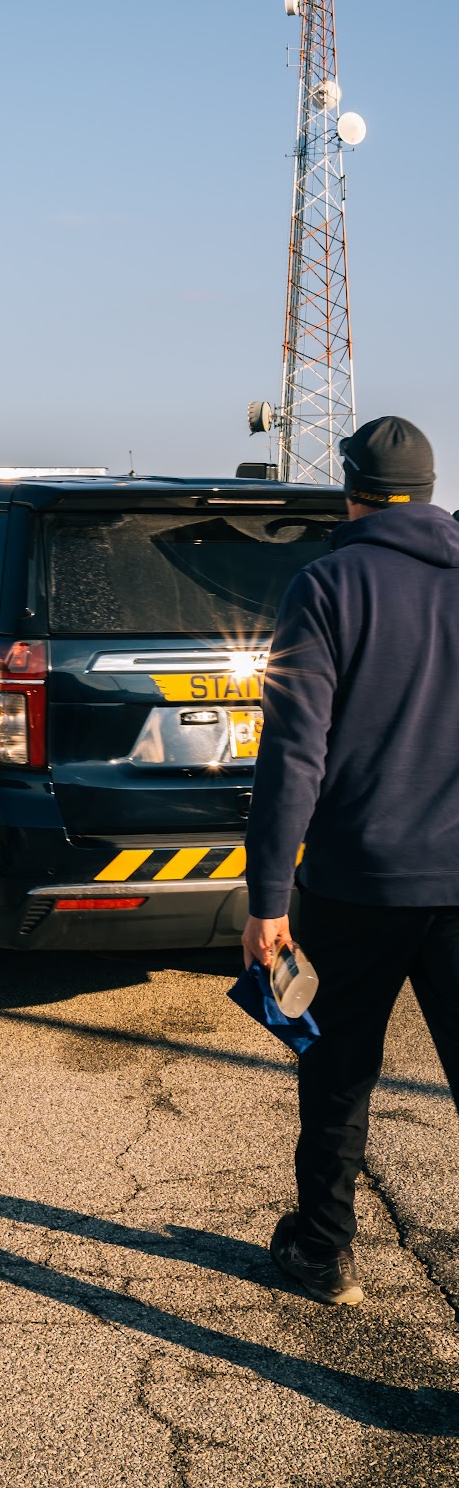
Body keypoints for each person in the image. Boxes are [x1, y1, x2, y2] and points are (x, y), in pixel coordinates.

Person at [243, 415, 459, 1307]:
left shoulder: (326, 585)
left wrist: (267, 898)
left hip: (355, 883)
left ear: (352, 490)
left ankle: (324, 1252)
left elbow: (295, 751)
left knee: (337, 1073)